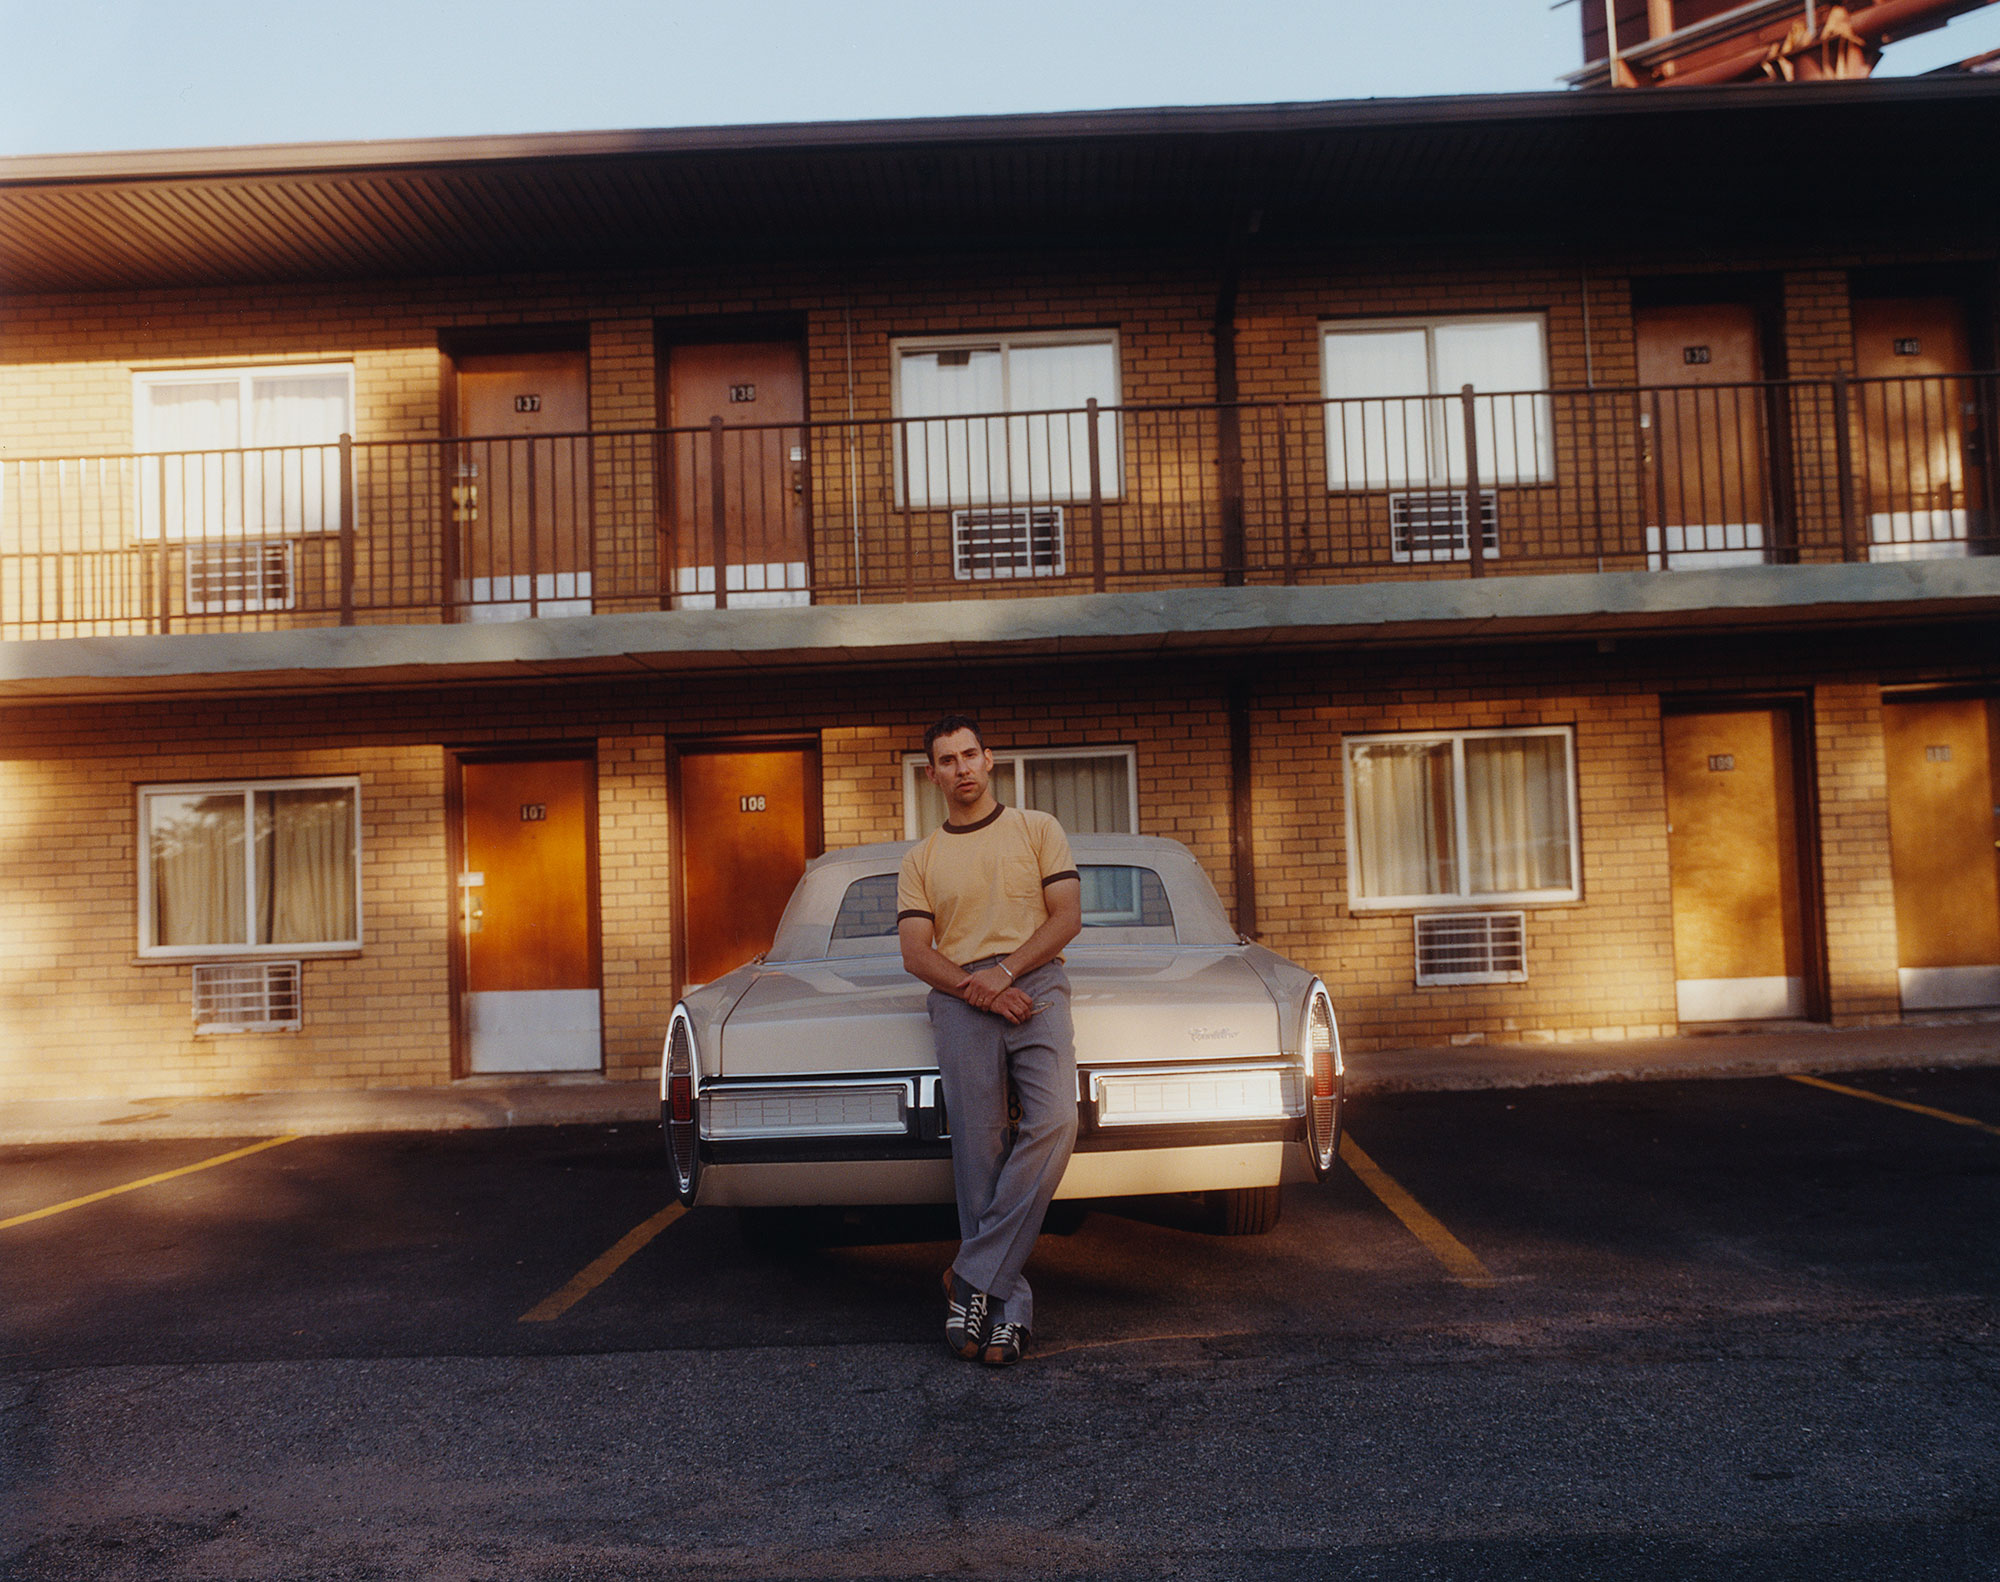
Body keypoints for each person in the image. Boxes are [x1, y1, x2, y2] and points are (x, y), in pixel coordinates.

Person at [897, 713, 1083, 1366]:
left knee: (1058, 1120)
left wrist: (1005, 974)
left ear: (990, 759)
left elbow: (1066, 917)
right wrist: (979, 988)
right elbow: (918, 954)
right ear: (932, 775)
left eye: (970, 755)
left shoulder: (1037, 829)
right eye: (947, 761)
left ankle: (970, 1275)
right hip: (959, 995)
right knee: (979, 1148)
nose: (962, 769)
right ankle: (1008, 1310)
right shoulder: (921, 859)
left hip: (1036, 983)